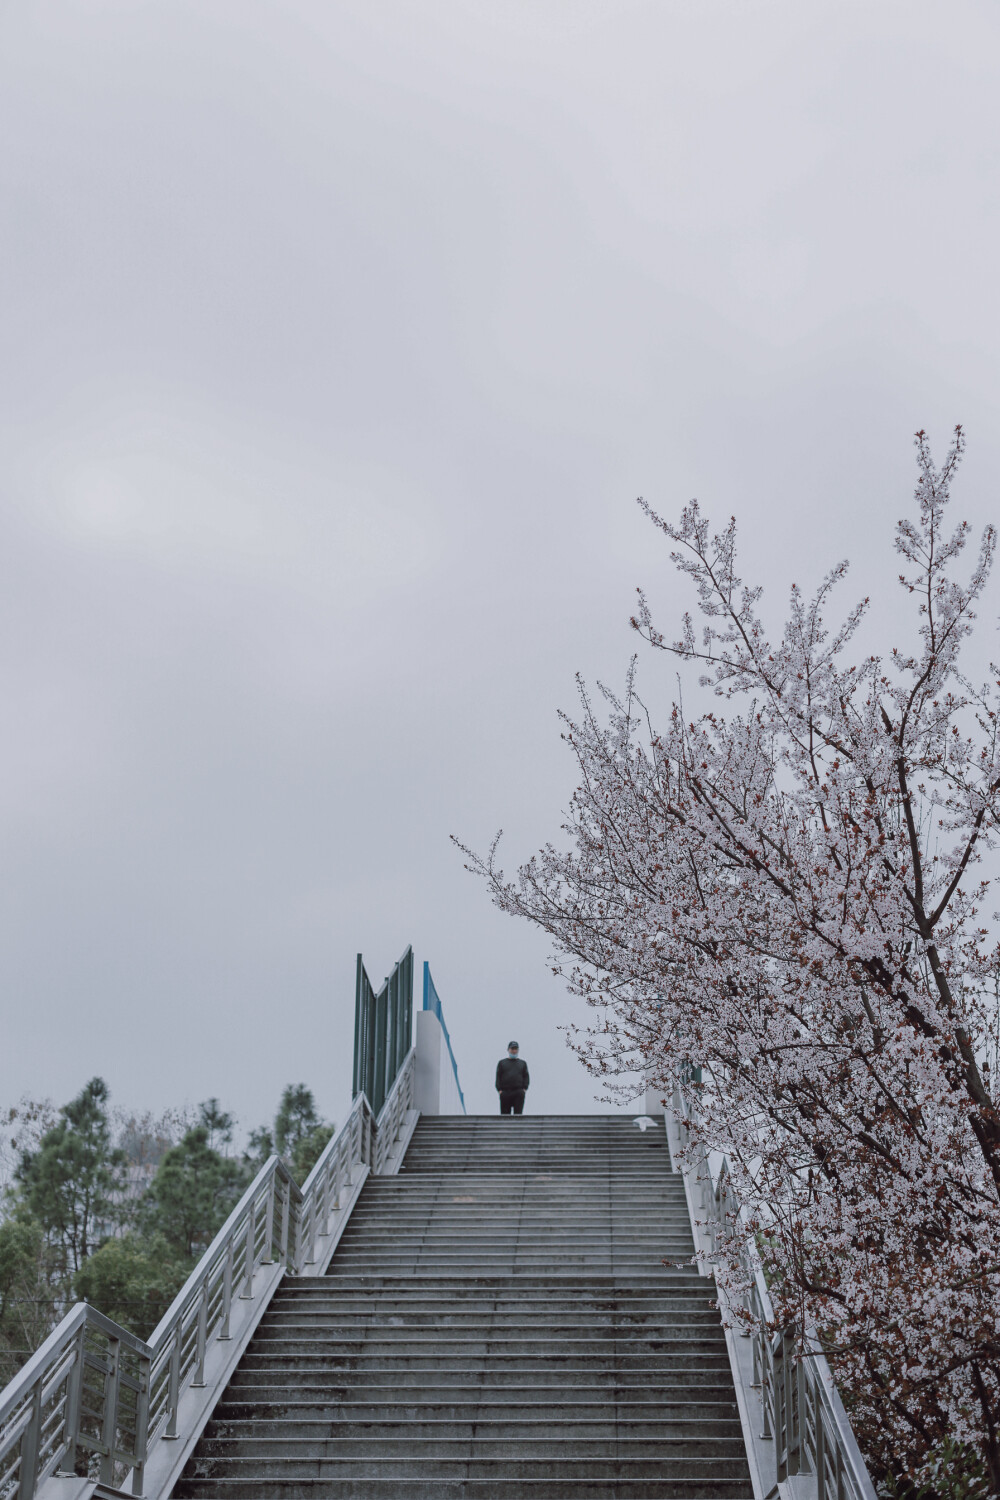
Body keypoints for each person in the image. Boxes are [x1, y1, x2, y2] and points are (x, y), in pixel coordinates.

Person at [495, 1041, 529, 1115]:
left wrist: (524, 1089)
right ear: (508, 1049)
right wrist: (499, 1090)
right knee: (505, 1116)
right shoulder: (502, 1063)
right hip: (505, 1092)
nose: (514, 1051)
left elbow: (526, 1076)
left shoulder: (522, 1063)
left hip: (518, 1091)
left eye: (516, 1049)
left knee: (518, 1115)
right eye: (512, 1049)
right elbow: (498, 1077)